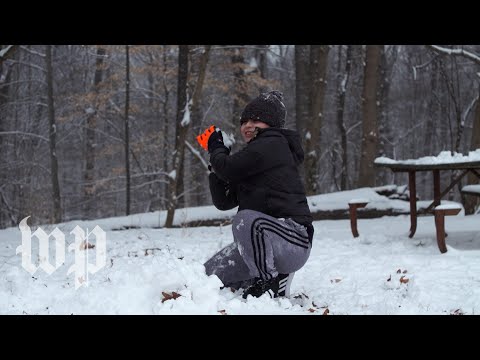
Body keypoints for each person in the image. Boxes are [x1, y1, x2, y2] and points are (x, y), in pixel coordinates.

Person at [203, 90, 314, 299]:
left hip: (293, 239)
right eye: (244, 120)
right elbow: (224, 201)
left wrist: (217, 148)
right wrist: (216, 166)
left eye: (256, 120)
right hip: (264, 240)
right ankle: (258, 276)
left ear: (271, 125)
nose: (247, 125)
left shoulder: (273, 143)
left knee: (245, 220)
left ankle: (268, 281)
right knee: (208, 276)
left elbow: (227, 168)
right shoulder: (256, 159)